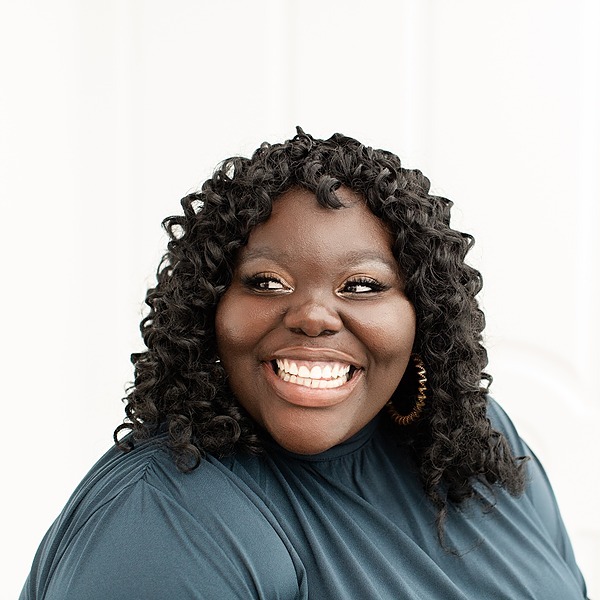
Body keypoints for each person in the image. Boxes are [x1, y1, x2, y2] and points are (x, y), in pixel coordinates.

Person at [21, 129, 588, 599]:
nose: (314, 317)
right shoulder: (167, 521)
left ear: (424, 317)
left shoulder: (477, 439)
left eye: (362, 285)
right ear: (208, 310)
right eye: (266, 282)